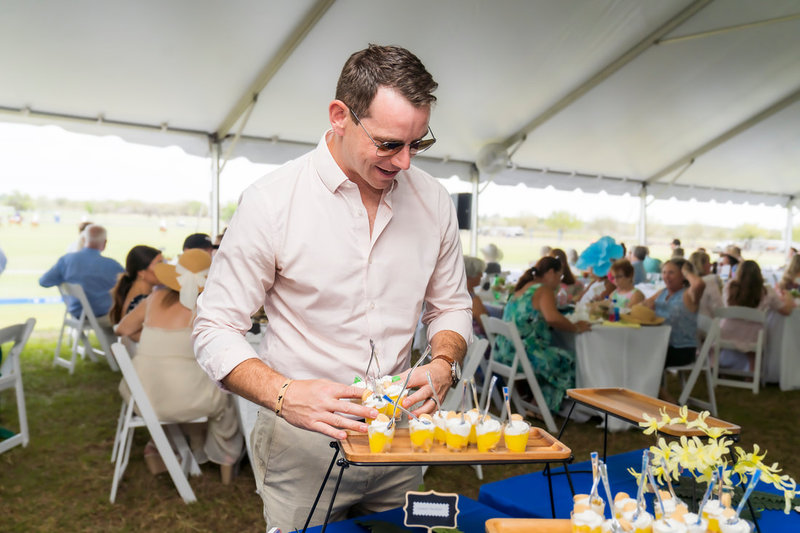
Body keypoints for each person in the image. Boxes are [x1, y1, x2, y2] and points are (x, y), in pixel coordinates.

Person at [192, 45, 471, 531]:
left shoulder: (435, 201)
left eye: (418, 144)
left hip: (399, 439)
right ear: (340, 116)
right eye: (389, 144)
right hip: (302, 447)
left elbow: (450, 305)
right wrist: (284, 394)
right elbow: (214, 326)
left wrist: (444, 362)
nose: (406, 162)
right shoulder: (272, 202)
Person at [116, 250, 243, 482]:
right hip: (185, 400)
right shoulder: (205, 308)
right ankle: (226, 459)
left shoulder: (154, 298)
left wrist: (156, 341)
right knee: (228, 394)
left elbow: (122, 329)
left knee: (190, 382)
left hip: (144, 397)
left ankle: (183, 446)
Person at [495, 257, 590, 413]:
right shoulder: (543, 290)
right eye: (559, 276)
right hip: (523, 356)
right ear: (551, 273)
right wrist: (576, 327)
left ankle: (537, 403)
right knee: (569, 360)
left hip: (503, 353)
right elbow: (552, 318)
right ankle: (544, 407)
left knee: (554, 356)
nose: (559, 282)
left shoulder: (522, 288)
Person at [39, 224, 123, 338]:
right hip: (102, 315)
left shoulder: (67, 260)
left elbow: (44, 281)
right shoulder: (112, 265)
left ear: (83, 239)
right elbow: (129, 285)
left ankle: (114, 346)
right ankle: (124, 348)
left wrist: (64, 283)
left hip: (76, 313)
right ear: (104, 242)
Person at [642, 258, 705, 398]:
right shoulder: (662, 292)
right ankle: (654, 396)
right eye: (664, 272)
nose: (666, 276)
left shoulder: (688, 294)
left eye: (671, 273)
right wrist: (646, 306)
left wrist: (687, 271)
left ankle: (667, 401)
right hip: (661, 345)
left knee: (645, 360)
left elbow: (699, 284)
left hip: (682, 349)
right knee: (640, 355)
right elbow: (644, 304)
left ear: (683, 276)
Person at [719, 260, 794, 372]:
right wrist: (789, 298)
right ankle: (752, 373)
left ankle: (719, 370)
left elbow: (725, 305)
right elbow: (786, 311)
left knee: (723, 332)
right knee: (755, 345)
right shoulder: (767, 291)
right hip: (753, 337)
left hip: (726, 332)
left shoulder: (729, 287)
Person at [108, 245, 163, 325]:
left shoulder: (135, 294)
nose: (165, 269)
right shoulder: (140, 301)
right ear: (141, 273)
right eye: (159, 265)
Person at [688, 250, 722, 323]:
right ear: (702, 265)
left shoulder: (687, 282)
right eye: (708, 262)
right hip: (708, 324)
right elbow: (719, 308)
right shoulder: (709, 281)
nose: (710, 264)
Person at [464, 255, 488, 337]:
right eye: (479, 272)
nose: (481, 276)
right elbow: (486, 326)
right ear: (470, 276)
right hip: (476, 342)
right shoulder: (473, 300)